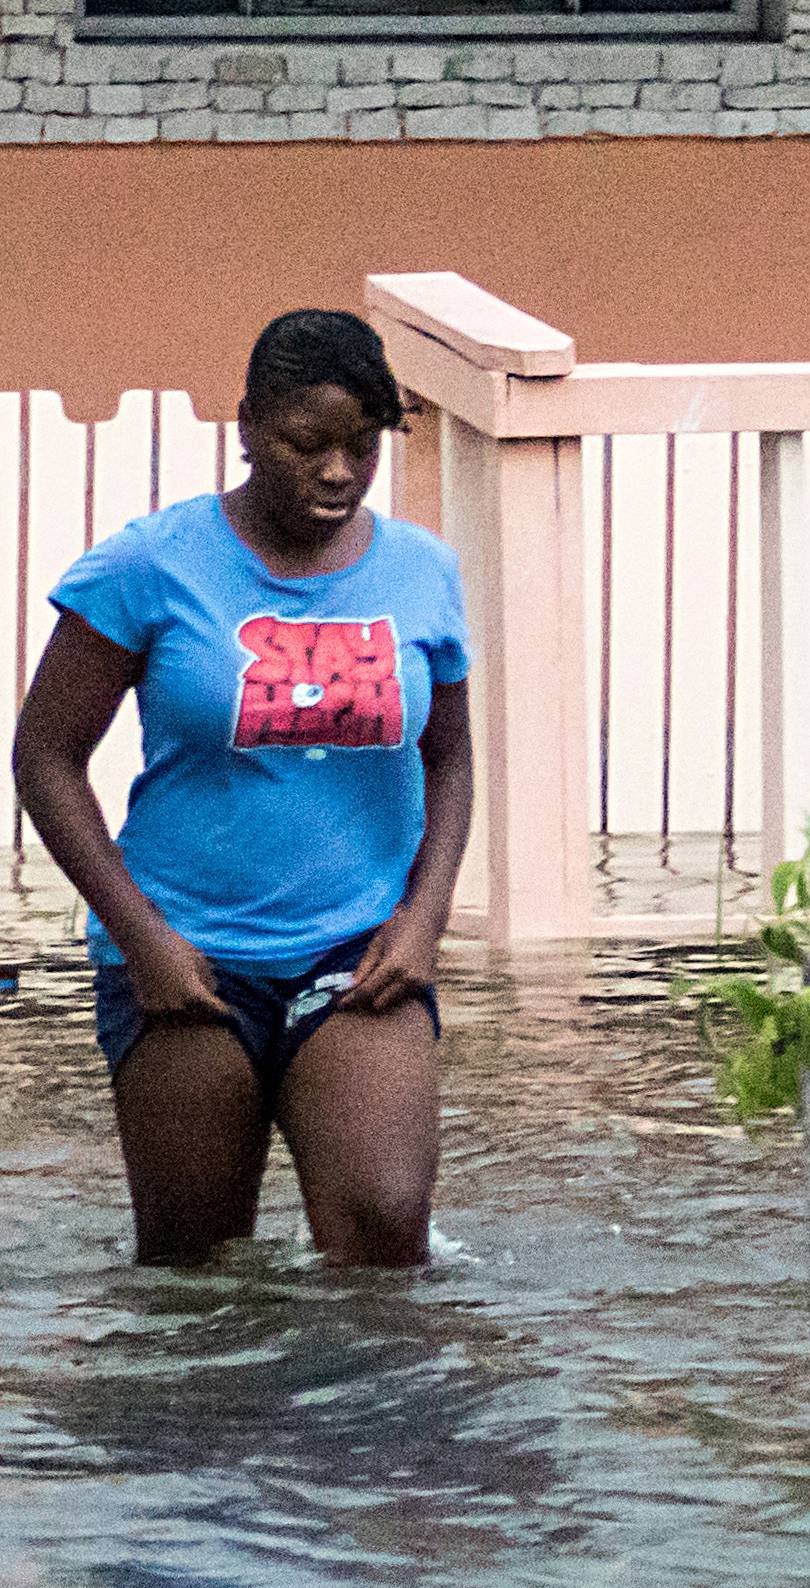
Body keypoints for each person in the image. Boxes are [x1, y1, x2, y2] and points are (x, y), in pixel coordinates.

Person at [12, 308, 473, 1269]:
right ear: (248, 429)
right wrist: (141, 938)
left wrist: (424, 920)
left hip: (358, 948)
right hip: (187, 955)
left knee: (387, 1227)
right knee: (196, 1270)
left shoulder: (423, 572)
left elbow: (451, 756)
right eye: (308, 444)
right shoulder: (150, 565)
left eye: (363, 445)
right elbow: (45, 754)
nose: (339, 471)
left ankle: (377, 1424)